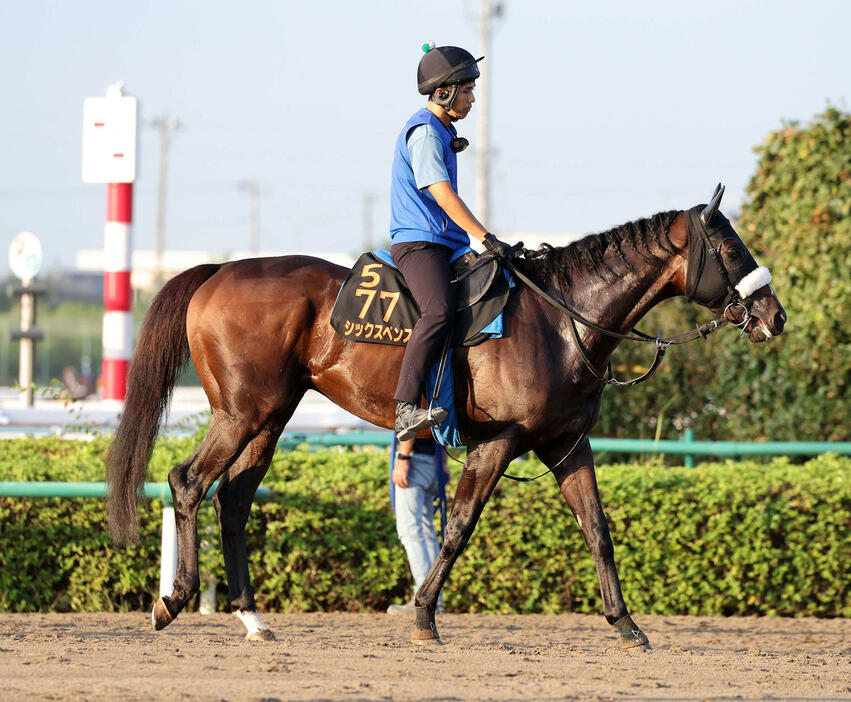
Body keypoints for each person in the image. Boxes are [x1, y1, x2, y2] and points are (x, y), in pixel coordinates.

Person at [390, 41, 512, 442]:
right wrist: (487, 237)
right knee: (439, 312)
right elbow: (442, 194)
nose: (473, 98)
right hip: (419, 246)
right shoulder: (425, 133)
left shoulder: (442, 129)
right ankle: (406, 406)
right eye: (467, 90)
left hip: (447, 245)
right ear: (443, 93)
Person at [387, 436, 449, 615]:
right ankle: (436, 599)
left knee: (410, 531)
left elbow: (409, 416)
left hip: (413, 460)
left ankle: (425, 598)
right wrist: (443, 462)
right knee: (426, 529)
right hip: (433, 461)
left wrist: (403, 457)